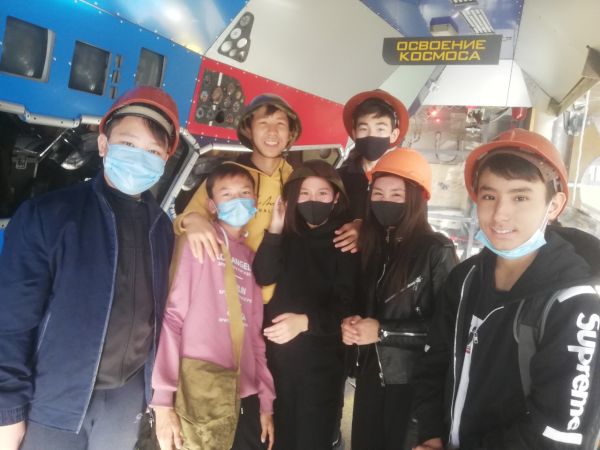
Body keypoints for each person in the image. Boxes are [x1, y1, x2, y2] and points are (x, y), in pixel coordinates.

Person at [0, 86, 180, 450]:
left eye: (152, 151)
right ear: (103, 144)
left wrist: (157, 397)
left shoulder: (162, 228)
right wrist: (8, 410)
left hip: (126, 402)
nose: (139, 158)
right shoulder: (47, 216)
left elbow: (159, 318)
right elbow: (11, 320)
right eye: (128, 144)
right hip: (52, 402)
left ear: (164, 161)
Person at [412, 129, 600, 450]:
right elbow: (435, 362)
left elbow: (558, 432)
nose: (500, 214)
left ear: (554, 205)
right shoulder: (465, 279)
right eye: (489, 196)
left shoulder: (575, 304)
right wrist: (430, 434)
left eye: (520, 197)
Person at [151, 163, 275, 450]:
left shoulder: (252, 259)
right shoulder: (197, 241)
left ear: (255, 201)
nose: (237, 200)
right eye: (227, 194)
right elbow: (172, 319)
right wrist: (163, 400)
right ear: (212, 205)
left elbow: (255, 338)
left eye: (244, 193)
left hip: (243, 392)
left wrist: (266, 402)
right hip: (200, 390)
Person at [341, 149, 458, 450]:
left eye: (396, 194)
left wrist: (382, 331)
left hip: (412, 384)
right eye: (378, 194)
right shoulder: (371, 245)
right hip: (369, 378)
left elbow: (448, 329)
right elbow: (365, 306)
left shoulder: (437, 250)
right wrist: (353, 323)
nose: (385, 202)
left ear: (417, 199)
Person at [252, 160, 360, 450]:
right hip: (276, 363)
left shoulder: (346, 241)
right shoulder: (286, 236)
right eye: (304, 193)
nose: (313, 200)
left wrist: (305, 322)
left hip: (321, 366)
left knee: (311, 439)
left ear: (336, 198)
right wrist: (275, 228)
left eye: (322, 193)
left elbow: (347, 308)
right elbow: (263, 275)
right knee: (274, 439)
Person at [172, 94, 300, 303]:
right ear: (248, 129)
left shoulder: (295, 180)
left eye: (280, 124)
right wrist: (192, 220)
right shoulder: (226, 175)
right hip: (224, 293)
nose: (272, 131)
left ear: (290, 132)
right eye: (263, 123)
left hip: (274, 299)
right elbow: (187, 219)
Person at [338, 89, 409, 221]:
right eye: (364, 129)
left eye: (380, 129)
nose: (371, 135)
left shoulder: (407, 181)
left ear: (393, 135)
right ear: (354, 134)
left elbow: (414, 224)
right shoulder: (338, 178)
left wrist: (363, 229)